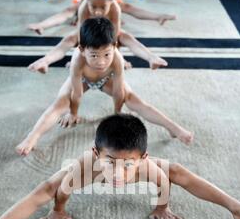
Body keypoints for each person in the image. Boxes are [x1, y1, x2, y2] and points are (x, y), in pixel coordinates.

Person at [0, 114, 240, 219]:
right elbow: (64, 188)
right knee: (46, 187)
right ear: (98, 155)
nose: (119, 174)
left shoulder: (146, 166)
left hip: (139, 160)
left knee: (179, 171)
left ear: (142, 157)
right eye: (112, 163)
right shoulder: (87, 165)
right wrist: (58, 210)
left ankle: (237, 208)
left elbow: (161, 179)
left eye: (128, 165)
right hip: (82, 168)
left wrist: (163, 206)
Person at [23, 18, 188, 154]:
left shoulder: (116, 58)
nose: (101, 61)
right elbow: (77, 93)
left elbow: (118, 91)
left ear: (115, 46)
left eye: (106, 54)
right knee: (60, 103)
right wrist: (73, 113)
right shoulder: (77, 60)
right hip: (82, 80)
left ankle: (173, 127)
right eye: (94, 55)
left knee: (134, 100)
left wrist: (117, 113)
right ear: (81, 49)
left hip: (107, 79)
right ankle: (32, 137)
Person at [28, 0, 171, 71]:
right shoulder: (83, 7)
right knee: (69, 39)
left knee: (127, 37)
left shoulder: (115, 7)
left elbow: (114, 37)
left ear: (112, 0)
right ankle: (46, 60)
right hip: (89, 31)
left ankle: (151, 57)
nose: (97, 12)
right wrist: (78, 59)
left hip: (107, 32)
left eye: (103, 7)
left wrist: (117, 59)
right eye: (93, 7)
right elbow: (81, 37)